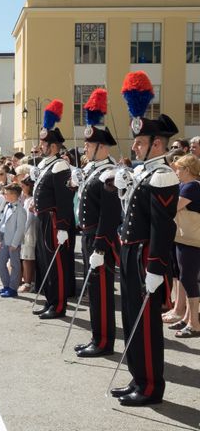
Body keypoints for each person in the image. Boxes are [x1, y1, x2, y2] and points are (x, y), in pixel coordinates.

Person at [111, 71, 179, 406]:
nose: (134, 146)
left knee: (148, 324)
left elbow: (162, 227)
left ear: (157, 144)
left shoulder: (163, 175)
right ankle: (137, 377)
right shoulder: (144, 173)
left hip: (146, 257)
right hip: (129, 251)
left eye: (140, 142)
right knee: (130, 318)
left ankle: (151, 386)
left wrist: (156, 268)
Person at [73, 88, 122, 358]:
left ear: (102, 147)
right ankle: (96, 337)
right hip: (89, 235)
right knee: (94, 290)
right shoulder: (94, 171)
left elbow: (110, 214)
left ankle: (103, 342)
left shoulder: (109, 174)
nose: (85, 148)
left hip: (99, 238)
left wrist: (101, 248)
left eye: (89, 145)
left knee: (102, 293)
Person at [32, 99, 76, 320]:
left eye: (44, 144)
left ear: (54, 146)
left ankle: (59, 305)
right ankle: (50, 300)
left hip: (53, 220)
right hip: (42, 218)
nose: (41, 147)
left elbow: (64, 199)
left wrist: (63, 226)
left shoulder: (60, 165)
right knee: (44, 260)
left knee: (56, 263)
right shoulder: (46, 164)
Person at [170, 154, 200, 338]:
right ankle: (188, 317)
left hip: (191, 241)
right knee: (185, 278)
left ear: (187, 170)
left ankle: (194, 323)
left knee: (189, 280)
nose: (176, 172)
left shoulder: (191, 187)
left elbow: (171, 207)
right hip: (184, 239)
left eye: (179, 169)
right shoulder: (186, 186)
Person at [0, 184, 27, 298]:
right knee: (0, 263)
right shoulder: (7, 206)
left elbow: (20, 228)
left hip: (13, 242)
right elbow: (2, 223)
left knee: (14, 265)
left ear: (14, 195)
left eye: (6, 193)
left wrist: (15, 243)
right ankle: (6, 285)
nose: (4, 195)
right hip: (4, 239)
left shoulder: (20, 210)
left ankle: (13, 288)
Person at [18, 174, 36, 293]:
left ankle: (28, 283)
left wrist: (21, 232)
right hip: (26, 231)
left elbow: (29, 219)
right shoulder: (27, 200)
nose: (22, 189)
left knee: (27, 258)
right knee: (25, 258)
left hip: (29, 232)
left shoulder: (31, 200)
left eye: (23, 186)